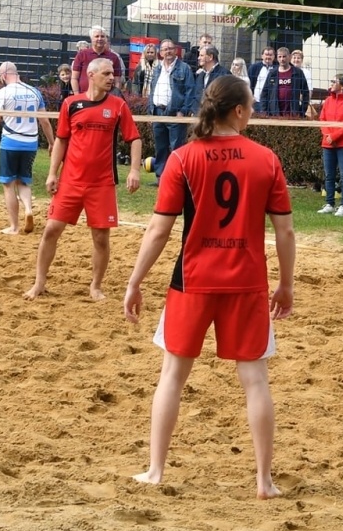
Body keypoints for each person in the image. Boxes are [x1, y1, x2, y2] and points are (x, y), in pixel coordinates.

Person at [123, 75, 295, 498]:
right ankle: (263, 481)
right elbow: (286, 233)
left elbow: (158, 232)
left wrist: (134, 282)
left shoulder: (182, 159)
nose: (253, 111)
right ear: (237, 111)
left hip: (193, 280)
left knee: (172, 376)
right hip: (247, 281)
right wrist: (286, 285)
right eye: (251, 105)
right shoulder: (266, 159)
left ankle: (156, 470)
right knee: (255, 379)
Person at [26, 58, 142, 302]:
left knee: (100, 237)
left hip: (102, 183)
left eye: (113, 74)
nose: (112, 78)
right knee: (51, 230)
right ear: (91, 74)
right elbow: (61, 140)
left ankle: (95, 286)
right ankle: (39, 283)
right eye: (107, 73)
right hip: (71, 181)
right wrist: (52, 173)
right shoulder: (71, 104)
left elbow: (135, 139)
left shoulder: (118, 106)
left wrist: (134, 170)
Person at [0, 62, 55, 236]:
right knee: (23, 181)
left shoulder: (4, 92)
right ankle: (28, 210)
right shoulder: (35, 91)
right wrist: (51, 142)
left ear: (3, 76)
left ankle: (14, 226)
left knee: (8, 184)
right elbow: (45, 121)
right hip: (30, 143)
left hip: (11, 142)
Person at [146, 39, 196, 175]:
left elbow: (191, 92)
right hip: (157, 112)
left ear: (175, 51)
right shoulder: (157, 68)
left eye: (170, 48)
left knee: (176, 148)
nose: (168, 51)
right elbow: (152, 90)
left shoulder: (184, 68)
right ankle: (160, 177)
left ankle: (177, 176)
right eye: (164, 49)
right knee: (160, 147)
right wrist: (151, 110)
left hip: (175, 114)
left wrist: (183, 111)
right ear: (160, 53)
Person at [317, 73, 343, 216]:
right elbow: (322, 119)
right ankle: (329, 203)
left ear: (342, 85)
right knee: (329, 175)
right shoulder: (328, 100)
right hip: (327, 143)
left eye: (333, 81)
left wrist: (334, 136)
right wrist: (327, 135)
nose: (331, 83)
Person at [256, 47, 309, 117]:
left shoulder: (298, 73)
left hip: (293, 114)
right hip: (275, 114)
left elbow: (305, 93)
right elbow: (264, 94)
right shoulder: (272, 73)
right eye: (280, 57)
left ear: (289, 57)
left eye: (284, 56)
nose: (282, 59)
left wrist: (301, 111)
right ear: (277, 58)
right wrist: (264, 112)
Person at [71, 26, 124, 96]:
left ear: (106, 39)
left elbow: (117, 81)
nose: (100, 38)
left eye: (102, 36)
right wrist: (77, 96)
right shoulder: (81, 55)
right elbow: (74, 78)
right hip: (83, 96)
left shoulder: (114, 57)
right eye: (97, 36)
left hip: (106, 98)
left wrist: (114, 97)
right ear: (91, 38)